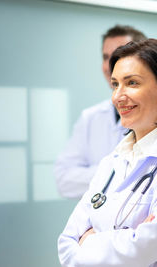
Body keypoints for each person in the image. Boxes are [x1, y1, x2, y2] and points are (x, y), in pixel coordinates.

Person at [58, 39, 157, 267]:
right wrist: (126, 238)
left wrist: (90, 241)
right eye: (115, 84)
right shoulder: (112, 161)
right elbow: (66, 243)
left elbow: (142, 249)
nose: (118, 96)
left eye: (132, 83)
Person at [55, 25, 146, 198]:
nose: (110, 65)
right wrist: (119, 169)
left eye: (119, 56)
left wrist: (94, 175)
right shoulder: (91, 117)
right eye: (106, 57)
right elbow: (64, 181)